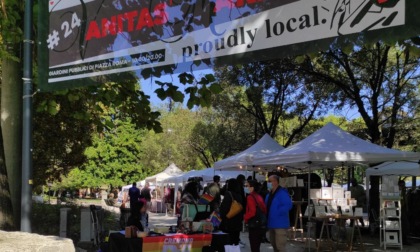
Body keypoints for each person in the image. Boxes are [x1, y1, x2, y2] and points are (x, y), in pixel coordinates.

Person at [265, 175, 292, 252]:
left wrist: (277, 213)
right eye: (268, 181)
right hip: (271, 223)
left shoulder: (282, 193)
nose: (268, 183)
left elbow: (288, 205)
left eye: (270, 181)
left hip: (280, 224)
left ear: (276, 182)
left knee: (280, 246)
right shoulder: (269, 194)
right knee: (274, 245)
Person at [219, 179, 245, 246]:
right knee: (235, 243)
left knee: (228, 243)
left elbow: (225, 209)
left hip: (228, 223)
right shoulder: (240, 195)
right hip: (237, 222)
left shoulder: (228, 194)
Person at [244, 180, 267, 252]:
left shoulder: (250, 197)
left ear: (252, 187)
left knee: (254, 247)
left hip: (254, 224)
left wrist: (245, 217)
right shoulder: (259, 196)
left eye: (247, 186)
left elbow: (252, 212)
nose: (246, 187)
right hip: (261, 224)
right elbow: (264, 209)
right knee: (257, 246)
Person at [399, 180, 411, 245]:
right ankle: (404, 240)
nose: (404, 187)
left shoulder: (404, 191)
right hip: (401, 209)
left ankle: (405, 239)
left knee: (405, 225)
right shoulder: (400, 192)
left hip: (403, 209)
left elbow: (405, 201)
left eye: (404, 185)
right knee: (405, 225)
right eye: (402, 185)